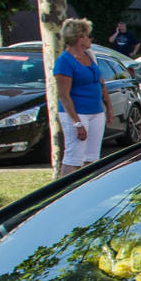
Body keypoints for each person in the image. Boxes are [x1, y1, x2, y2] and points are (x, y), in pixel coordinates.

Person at [53, 17, 117, 176]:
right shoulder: (64, 61)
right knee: (74, 156)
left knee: (92, 156)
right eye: (87, 36)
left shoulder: (90, 55)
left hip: (96, 111)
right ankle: (64, 192)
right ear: (78, 38)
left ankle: (88, 189)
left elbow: (100, 83)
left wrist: (108, 107)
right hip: (77, 113)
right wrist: (76, 123)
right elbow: (64, 95)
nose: (90, 39)